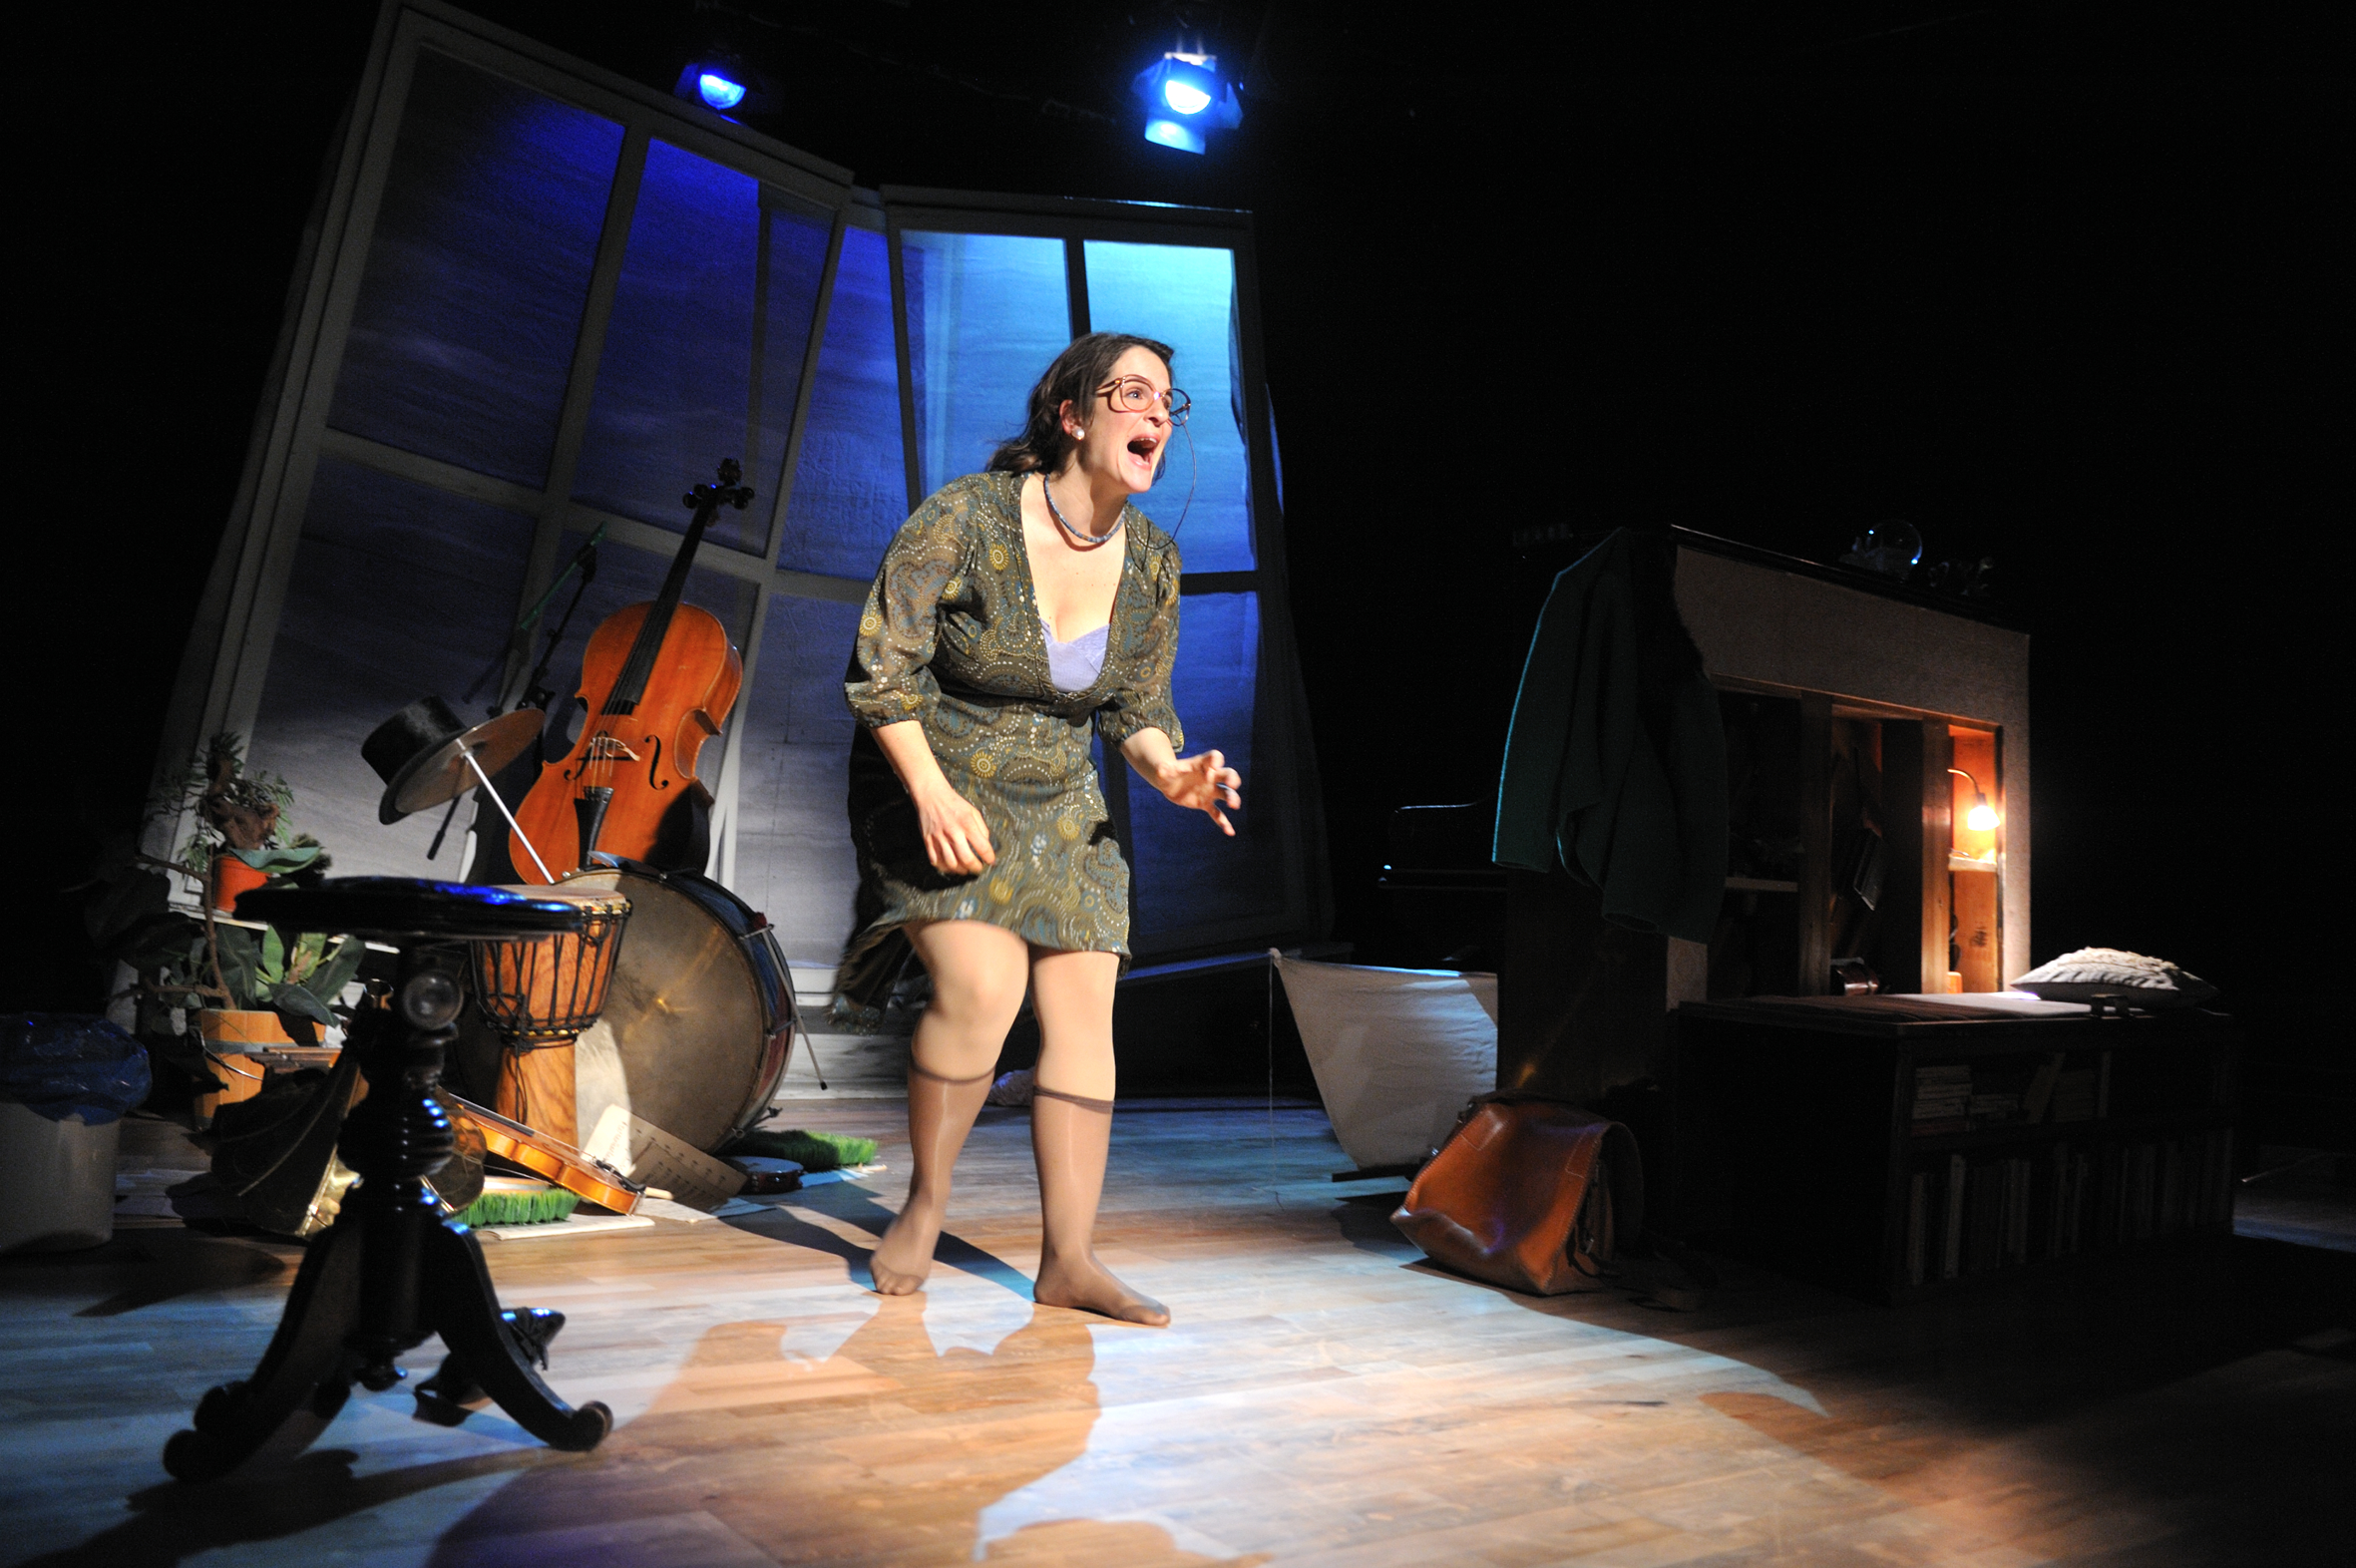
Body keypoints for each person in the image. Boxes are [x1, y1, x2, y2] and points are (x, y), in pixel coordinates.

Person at [837, 332, 1241, 1327]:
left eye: (1167, 401)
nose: (1156, 415)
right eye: (1131, 394)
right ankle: (926, 1203)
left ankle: (1070, 1259)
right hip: (933, 773)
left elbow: (1136, 709)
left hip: (1059, 791)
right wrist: (931, 796)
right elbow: (882, 673)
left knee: (1083, 1011)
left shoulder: (1152, 562)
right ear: (1071, 415)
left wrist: (1172, 774)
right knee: (984, 988)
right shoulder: (967, 517)